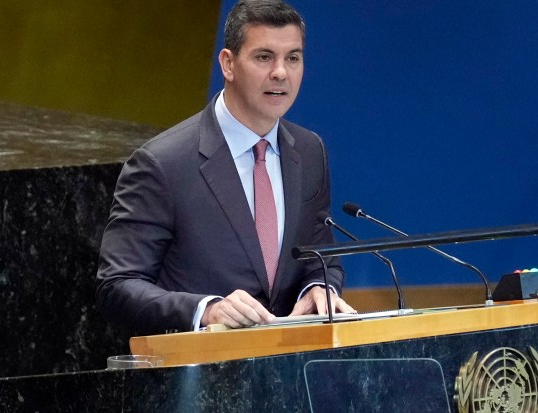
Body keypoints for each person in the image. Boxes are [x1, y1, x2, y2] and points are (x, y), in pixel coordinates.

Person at [96, 0, 355, 335]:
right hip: (198, 373)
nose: (281, 72)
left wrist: (320, 287)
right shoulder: (163, 164)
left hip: (288, 368)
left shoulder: (309, 151)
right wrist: (207, 310)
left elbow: (321, 257)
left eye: (293, 58)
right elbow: (117, 287)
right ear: (228, 65)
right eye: (264, 57)